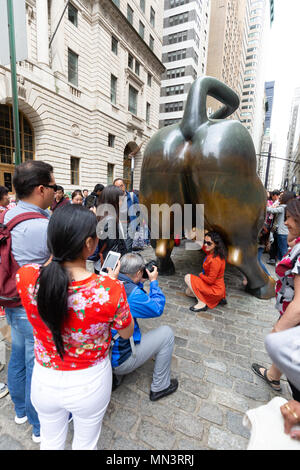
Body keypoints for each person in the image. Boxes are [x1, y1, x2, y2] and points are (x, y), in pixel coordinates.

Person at [15, 204, 134, 450]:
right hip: (90, 381)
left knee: (50, 442)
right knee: (85, 444)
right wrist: (108, 286)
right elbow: (127, 332)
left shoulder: (25, 277)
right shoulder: (109, 290)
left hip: (44, 378)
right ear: (89, 243)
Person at [3, 160, 56, 442]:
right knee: (35, 362)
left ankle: (20, 410)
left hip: (10, 299)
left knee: (18, 354)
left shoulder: (7, 216)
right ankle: (38, 426)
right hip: (32, 306)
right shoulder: (43, 225)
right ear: (40, 189)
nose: (54, 192)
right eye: (52, 186)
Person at [111, 253, 178, 401]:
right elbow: (156, 308)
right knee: (166, 334)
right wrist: (153, 282)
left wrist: (138, 281)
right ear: (139, 272)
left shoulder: (110, 281)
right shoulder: (132, 293)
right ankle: (160, 387)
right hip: (120, 360)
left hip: (103, 356)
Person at [252, 198, 300, 392]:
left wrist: (277, 333)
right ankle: (273, 376)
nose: (285, 222)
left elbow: (298, 306)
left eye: (290, 218)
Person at [184, 231, 227, 312]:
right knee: (188, 292)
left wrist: (201, 275)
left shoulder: (215, 260)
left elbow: (211, 280)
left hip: (215, 289)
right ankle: (214, 299)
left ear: (216, 244)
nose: (206, 244)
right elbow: (201, 246)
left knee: (187, 277)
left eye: (209, 243)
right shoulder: (212, 252)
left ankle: (202, 303)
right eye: (205, 242)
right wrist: (194, 237)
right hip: (214, 286)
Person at [93, 185, 128, 272]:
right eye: (121, 199)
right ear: (113, 200)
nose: (123, 202)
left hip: (102, 264)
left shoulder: (102, 214)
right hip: (109, 267)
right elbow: (113, 249)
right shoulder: (110, 219)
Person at [266, 190, 296, 262]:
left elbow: (272, 210)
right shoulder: (290, 207)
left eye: (282, 197)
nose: (280, 198)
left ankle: (285, 264)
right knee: (281, 251)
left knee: (283, 251)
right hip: (284, 232)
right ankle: (280, 264)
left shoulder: (283, 207)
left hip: (282, 232)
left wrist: (263, 206)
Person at [113, 178, 139, 252]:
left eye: (121, 186)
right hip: (118, 226)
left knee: (127, 247)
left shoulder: (131, 196)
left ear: (125, 186)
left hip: (130, 225)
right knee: (119, 247)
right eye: (117, 187)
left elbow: (138, 210)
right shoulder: (113, 197)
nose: (120, 188)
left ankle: (127, 262)